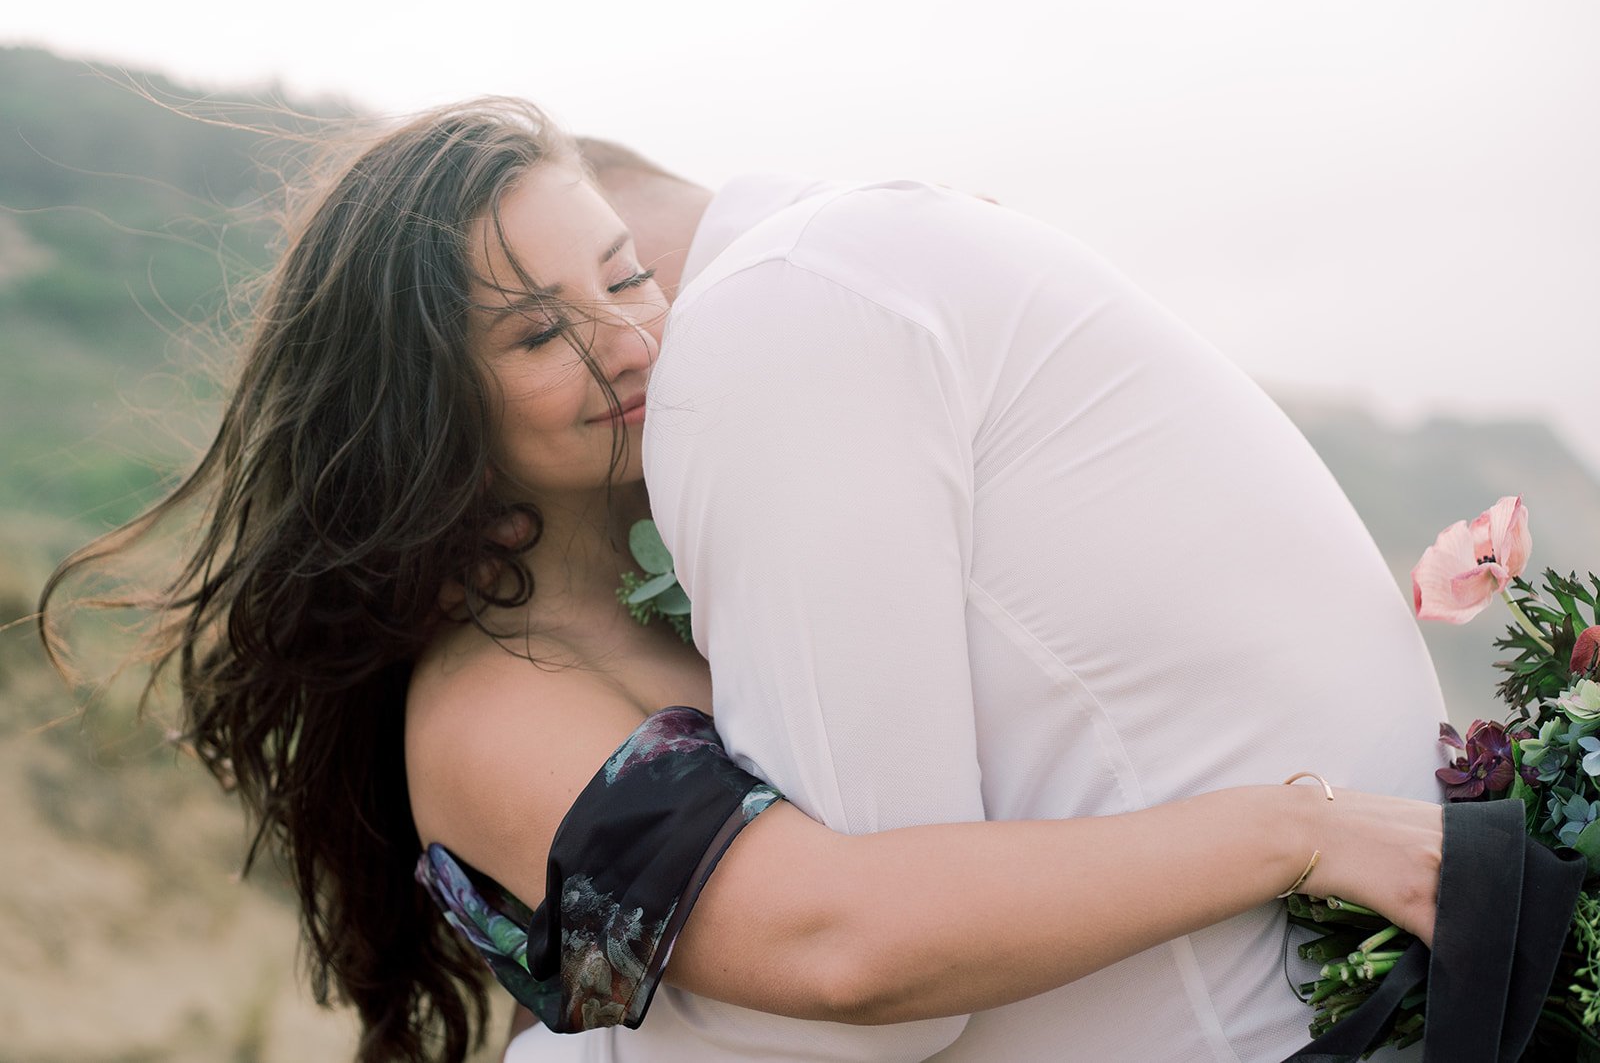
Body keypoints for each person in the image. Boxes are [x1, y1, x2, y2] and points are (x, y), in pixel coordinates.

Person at [38, 99, 1443, 1063]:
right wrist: (1286, 832)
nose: (627, 342)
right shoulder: (493, 702)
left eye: (625, 278)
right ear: (425, 409)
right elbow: (843, 954)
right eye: (537, 333)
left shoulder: (700, 573)